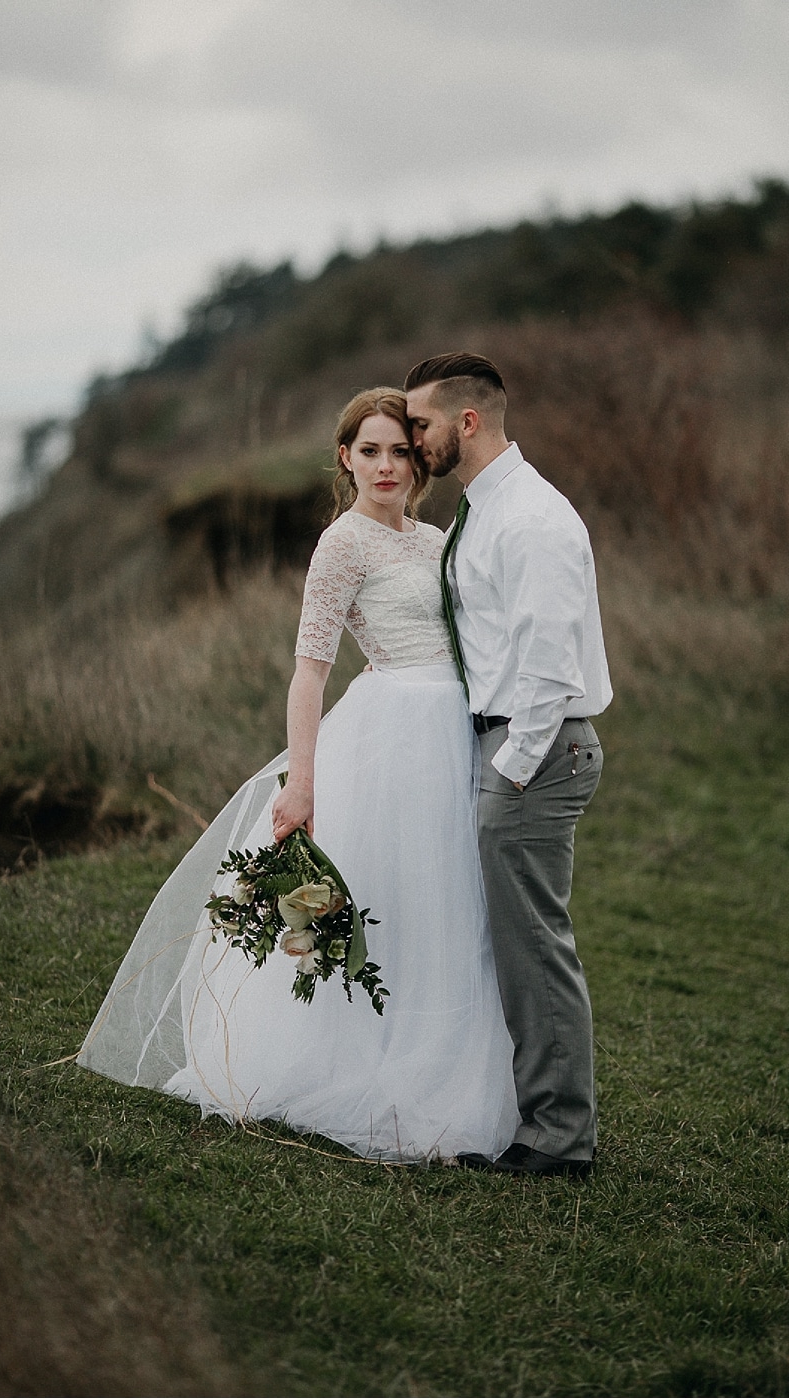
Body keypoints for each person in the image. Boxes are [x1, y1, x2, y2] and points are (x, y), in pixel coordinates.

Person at [79, 388, 521, 1162]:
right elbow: (308, 675)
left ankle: (445, 1063)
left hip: (456, 732)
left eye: (400, 451)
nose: (386, 466)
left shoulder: (437, 539)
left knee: (449, 904)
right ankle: (364, 1065)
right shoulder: (342, 545)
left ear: (420, 461)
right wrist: (303, 781)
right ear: (345, 458)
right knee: (387, 901)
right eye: (370, 450)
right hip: (392, 734)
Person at [402, 352, 612, 1180]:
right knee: (511, 945)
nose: (413, 440)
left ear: (466, 422)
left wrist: (513, 770)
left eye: (419, 425)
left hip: (537, 750)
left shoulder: (531, 519)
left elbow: (550, 668)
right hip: (506, 745)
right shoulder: (479, 512)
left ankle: (560, 1140)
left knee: (533, 949)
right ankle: (524, 1113)